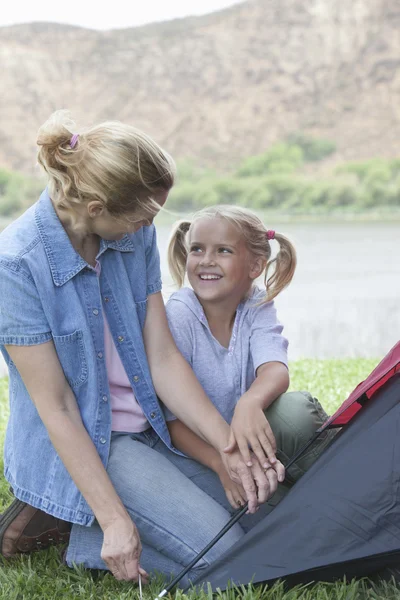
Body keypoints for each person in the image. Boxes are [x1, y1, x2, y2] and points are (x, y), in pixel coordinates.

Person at [0, 112, 280, 587]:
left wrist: (226, 446)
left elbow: (162, 357)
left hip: (153, 426)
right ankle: (88, 528)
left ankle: (83, 519)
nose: (151, 226)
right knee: (233, 560)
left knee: (265, 522)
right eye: (143, 217)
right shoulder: (15, 267)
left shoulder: (133, 234)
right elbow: (59, 407)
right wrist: (114, 521)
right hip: (97, 442)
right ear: (94, 207)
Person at [165, 205, 335, 526]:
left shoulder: (256, 304)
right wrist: (221, 464)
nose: (206, 260)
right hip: (202, 453)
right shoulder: (180, 313)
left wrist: (250, 401)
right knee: (284, 517)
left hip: (248, 438)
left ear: (255, 265)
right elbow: (172, 424)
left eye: (223, 250)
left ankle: (347, 484)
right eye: (197, 249)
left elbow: (275, 368)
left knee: (296, 411)